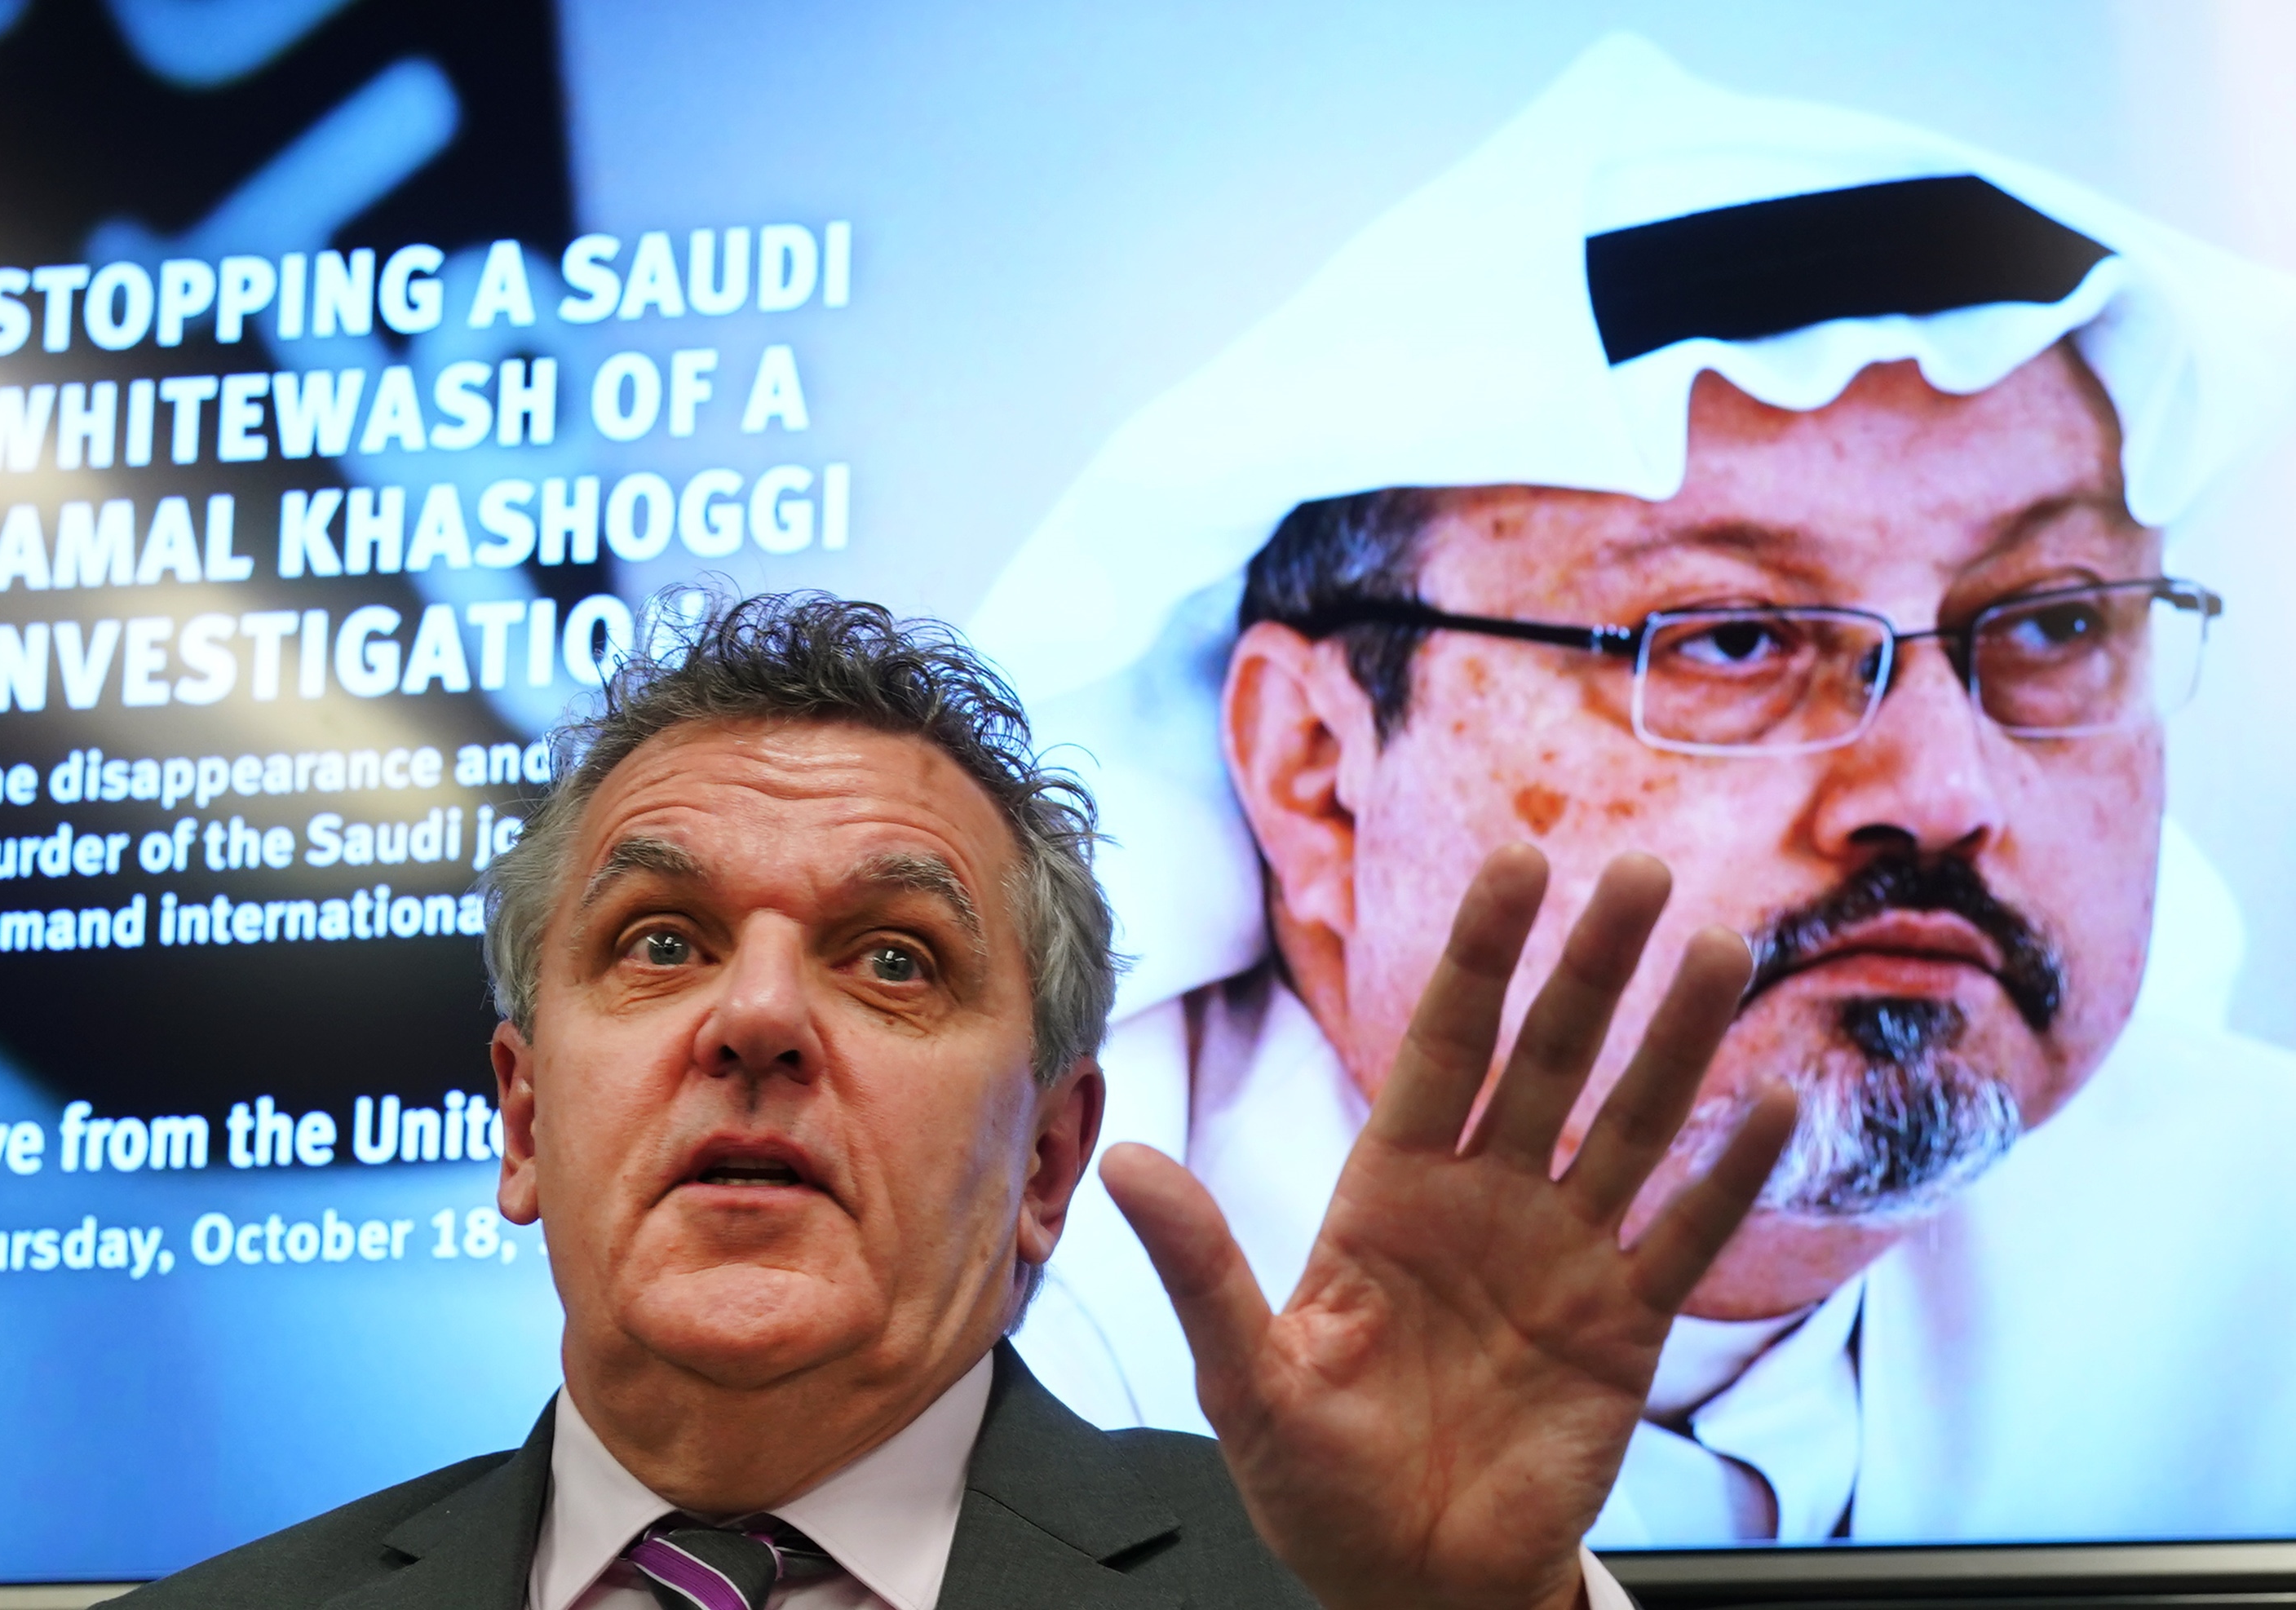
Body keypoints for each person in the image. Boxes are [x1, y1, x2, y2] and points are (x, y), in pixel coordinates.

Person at [976, 37, 2296, 1546]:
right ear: (1319, 776)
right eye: (1731, 639)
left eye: (2052, 622)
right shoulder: (974, 1352)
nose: (1941, 789)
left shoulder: (2264, 1254)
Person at [112, 594, 1794, 1609]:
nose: (758, 1017)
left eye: (895, 961)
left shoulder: (1339, 1598)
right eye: (663, 939)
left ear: (1050, 1160)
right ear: (526, 1120)